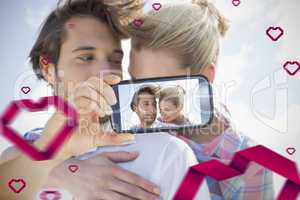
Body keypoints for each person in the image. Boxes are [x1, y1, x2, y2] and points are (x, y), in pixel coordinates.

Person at [0, 0, 200, 199]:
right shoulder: (15, 161)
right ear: (48, 69)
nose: (105, 72)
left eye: (115, 60)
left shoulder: (168, 153)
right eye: (86, 57)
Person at [112, 0, 274, 199]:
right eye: (135, 81)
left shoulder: (252, 165)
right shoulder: (131, 132)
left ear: (205, 76)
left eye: (161, 86)